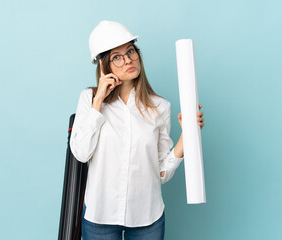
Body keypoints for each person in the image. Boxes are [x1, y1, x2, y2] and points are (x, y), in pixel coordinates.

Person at [70, 20, 205, 240]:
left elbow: (160, 173)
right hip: (100, 216)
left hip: (147, 218)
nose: (128, 60)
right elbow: (81, 153)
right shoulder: (89, 99)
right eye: (117, 57)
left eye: (131, 51)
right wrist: (98, 103)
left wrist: (188, 135)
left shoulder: (160, 107)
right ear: (105, 66)